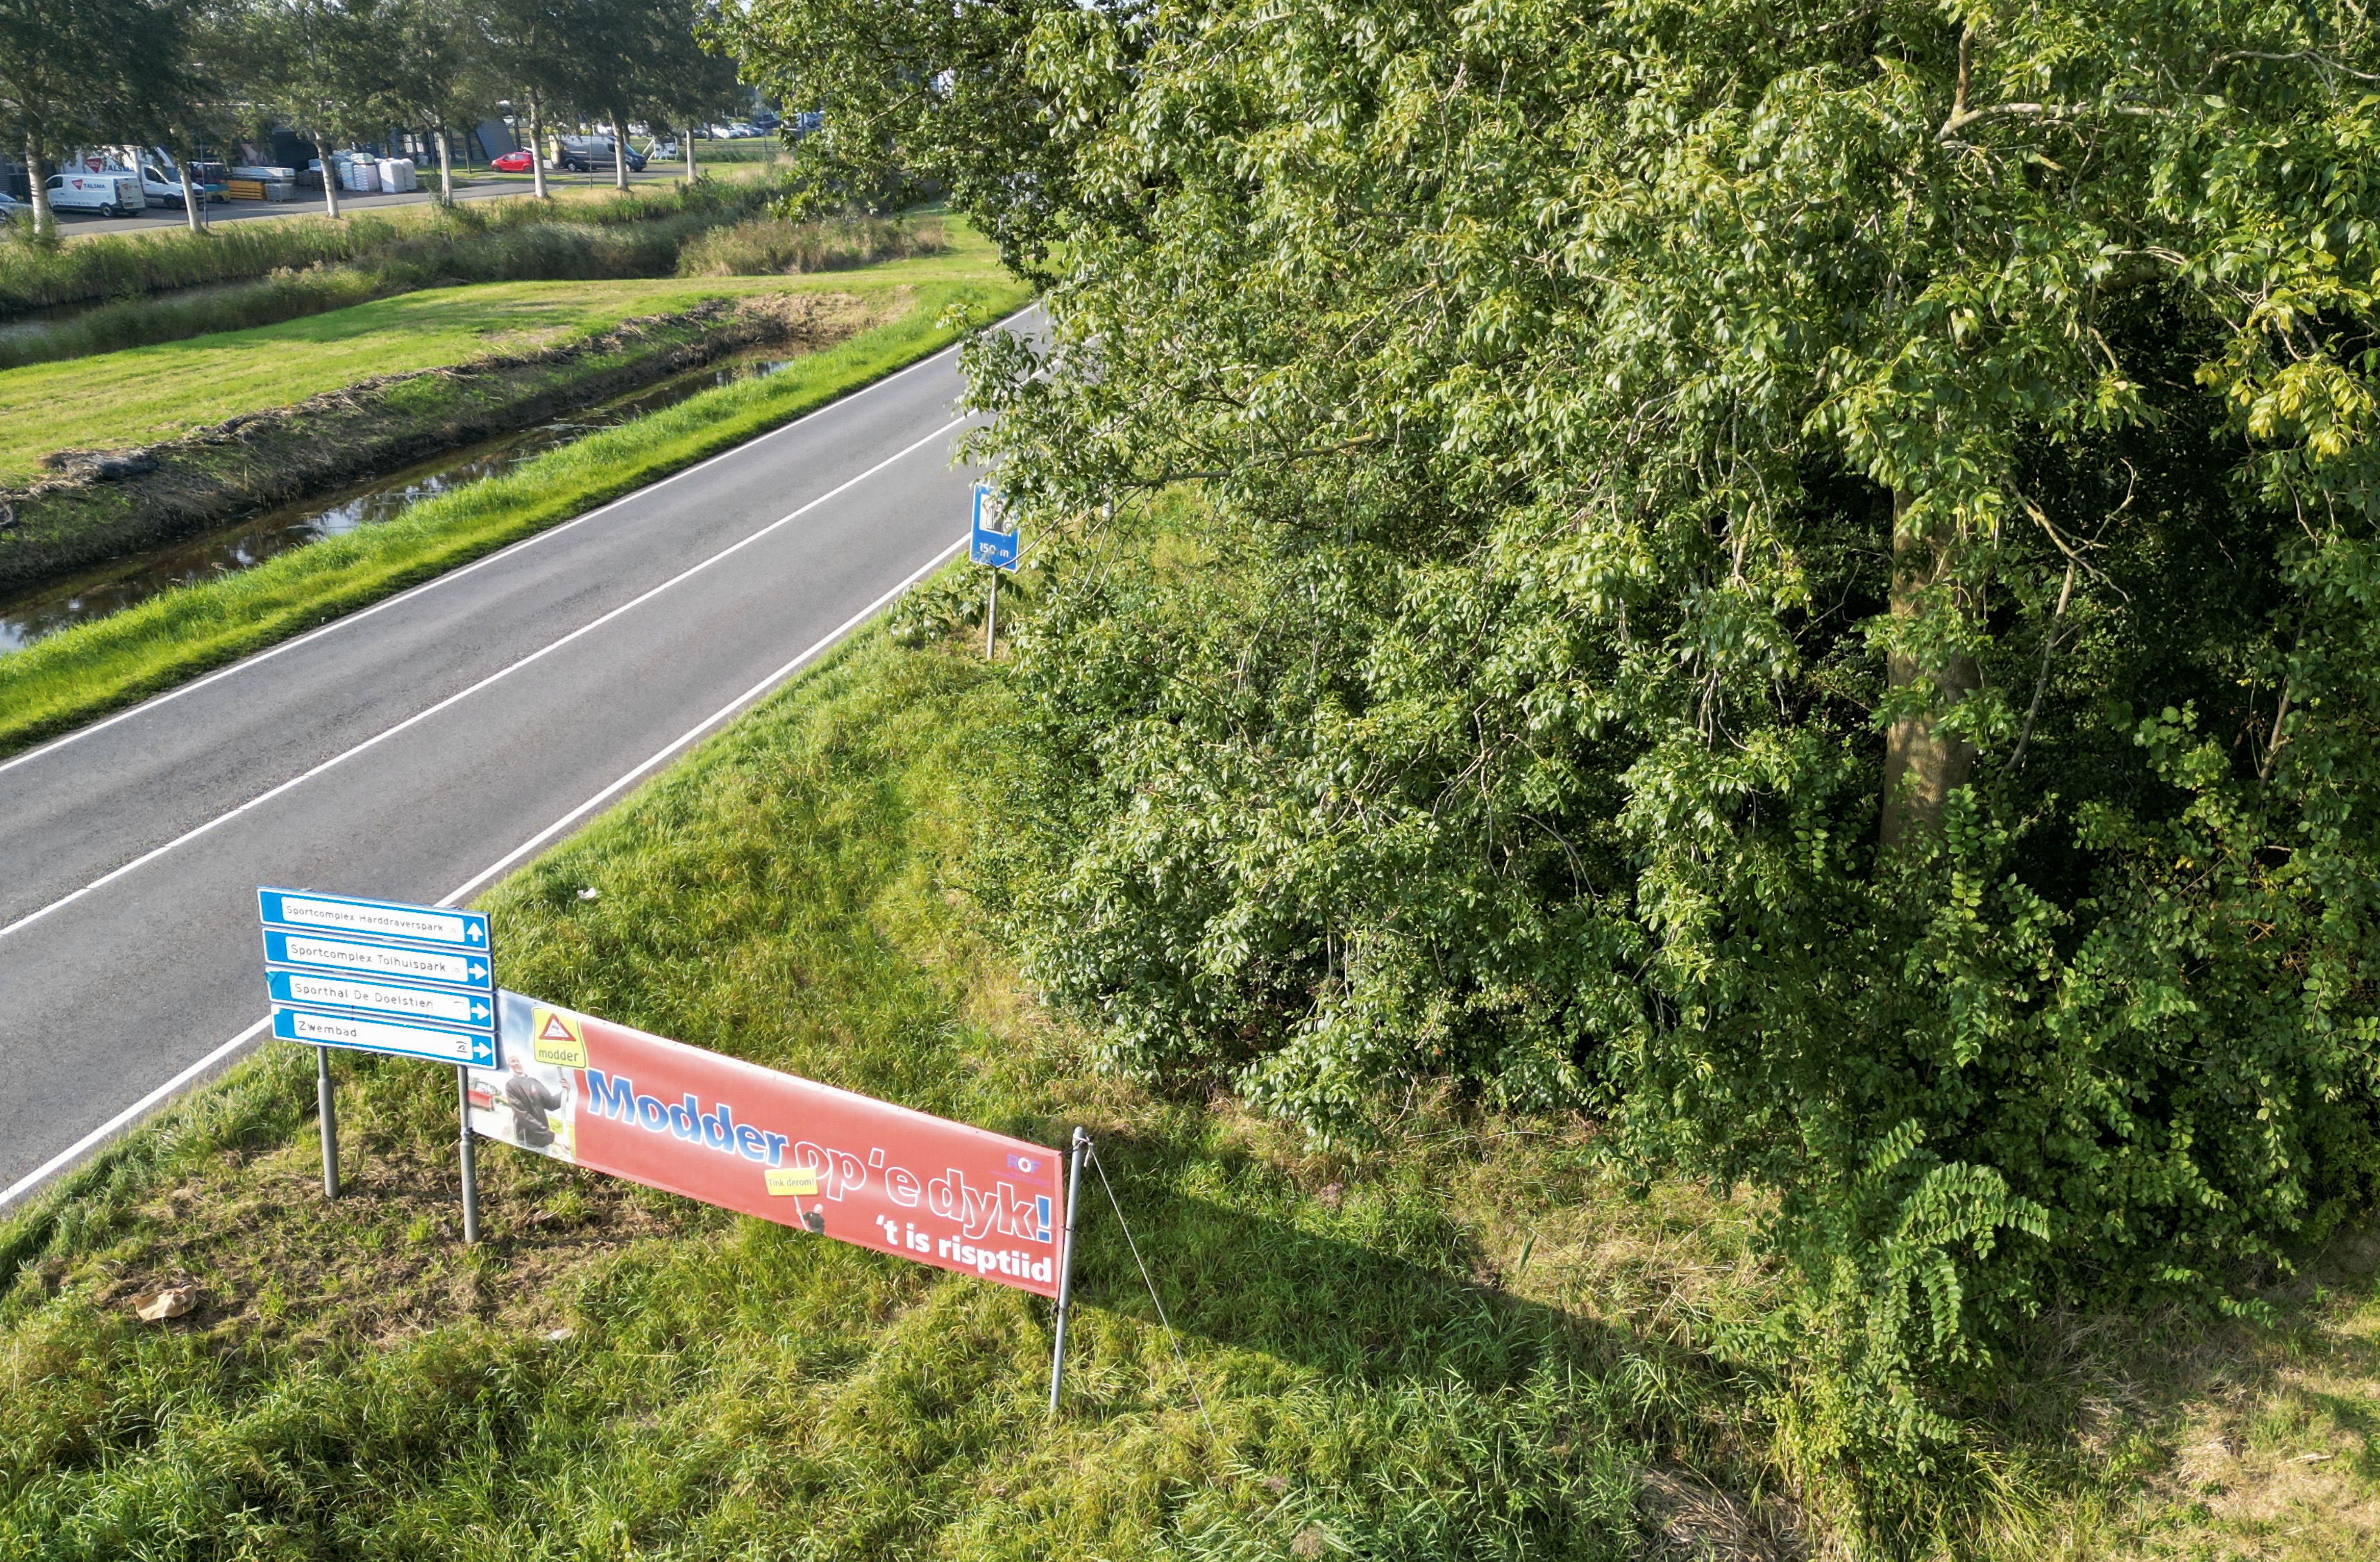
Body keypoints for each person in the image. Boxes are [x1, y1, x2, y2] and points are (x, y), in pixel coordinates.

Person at [503, 1058, 565, 1150]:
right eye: (513, 1062)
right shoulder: (511, 1085)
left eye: (517, 1061)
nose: (516, 1063)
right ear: (509, 1066)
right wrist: (552, 1136)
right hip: (527, 1142)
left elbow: (551, 1104)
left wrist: (565, 1093)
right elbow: (522, 1115)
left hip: (544, 1143)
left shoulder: (534, 1082)